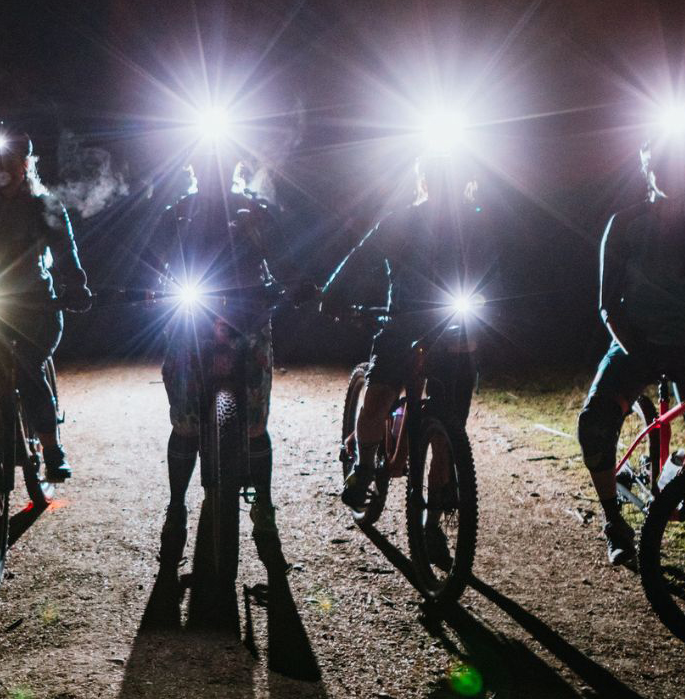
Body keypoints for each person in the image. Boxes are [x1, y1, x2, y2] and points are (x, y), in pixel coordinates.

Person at [147, 160, 297, 568]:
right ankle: (176, 508)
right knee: (185, 423)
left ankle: (264, 507)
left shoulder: (255, 210)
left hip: (248, 319)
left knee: (254, 424)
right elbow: (152, 260)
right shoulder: (178, 211)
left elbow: (283, 261)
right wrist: (148, 287)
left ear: (234, 165)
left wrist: (293, 281)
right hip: (190, 323)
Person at [576, 139, 685, 565]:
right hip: (634, 342)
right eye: (659, 165)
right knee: (594, 426)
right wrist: (635, 351)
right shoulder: (626, 223)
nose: (667, 173)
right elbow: (607, 305)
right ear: (648, 172)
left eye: (677, 165)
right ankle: (614, 524)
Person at [321, 152, 487, 514]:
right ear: (424, 181)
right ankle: (364, 468)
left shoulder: (475, 224)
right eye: (438, 177)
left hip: (454, 326)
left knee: (449, 431)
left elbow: (495, 270)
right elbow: (360, 256)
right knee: (378, 400)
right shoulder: (401, 222)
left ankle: (432, 517)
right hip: (402, 323)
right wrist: (331, 294)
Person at [0, 127, 92, 480]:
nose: (0, 168)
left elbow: (65, 251)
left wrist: (76, 286)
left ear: (25, 165)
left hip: (37, 306)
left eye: (8, 161)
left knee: (26, 368)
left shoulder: (44, 205)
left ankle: (52, 449)